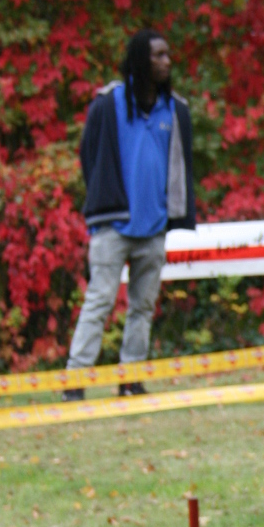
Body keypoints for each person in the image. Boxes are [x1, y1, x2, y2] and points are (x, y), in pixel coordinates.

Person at [64, 31, 196, 397]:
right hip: (113, 226)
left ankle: (131, 379)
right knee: (100, 300)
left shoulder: (175, 110)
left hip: (154, 228)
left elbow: (180, 166)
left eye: (168, 54)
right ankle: (74, 381)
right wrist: (104, 197)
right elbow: (88, 154)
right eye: (158, 55)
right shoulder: (109, 104)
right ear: (140, 59)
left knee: (143, 307)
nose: (167, 62)